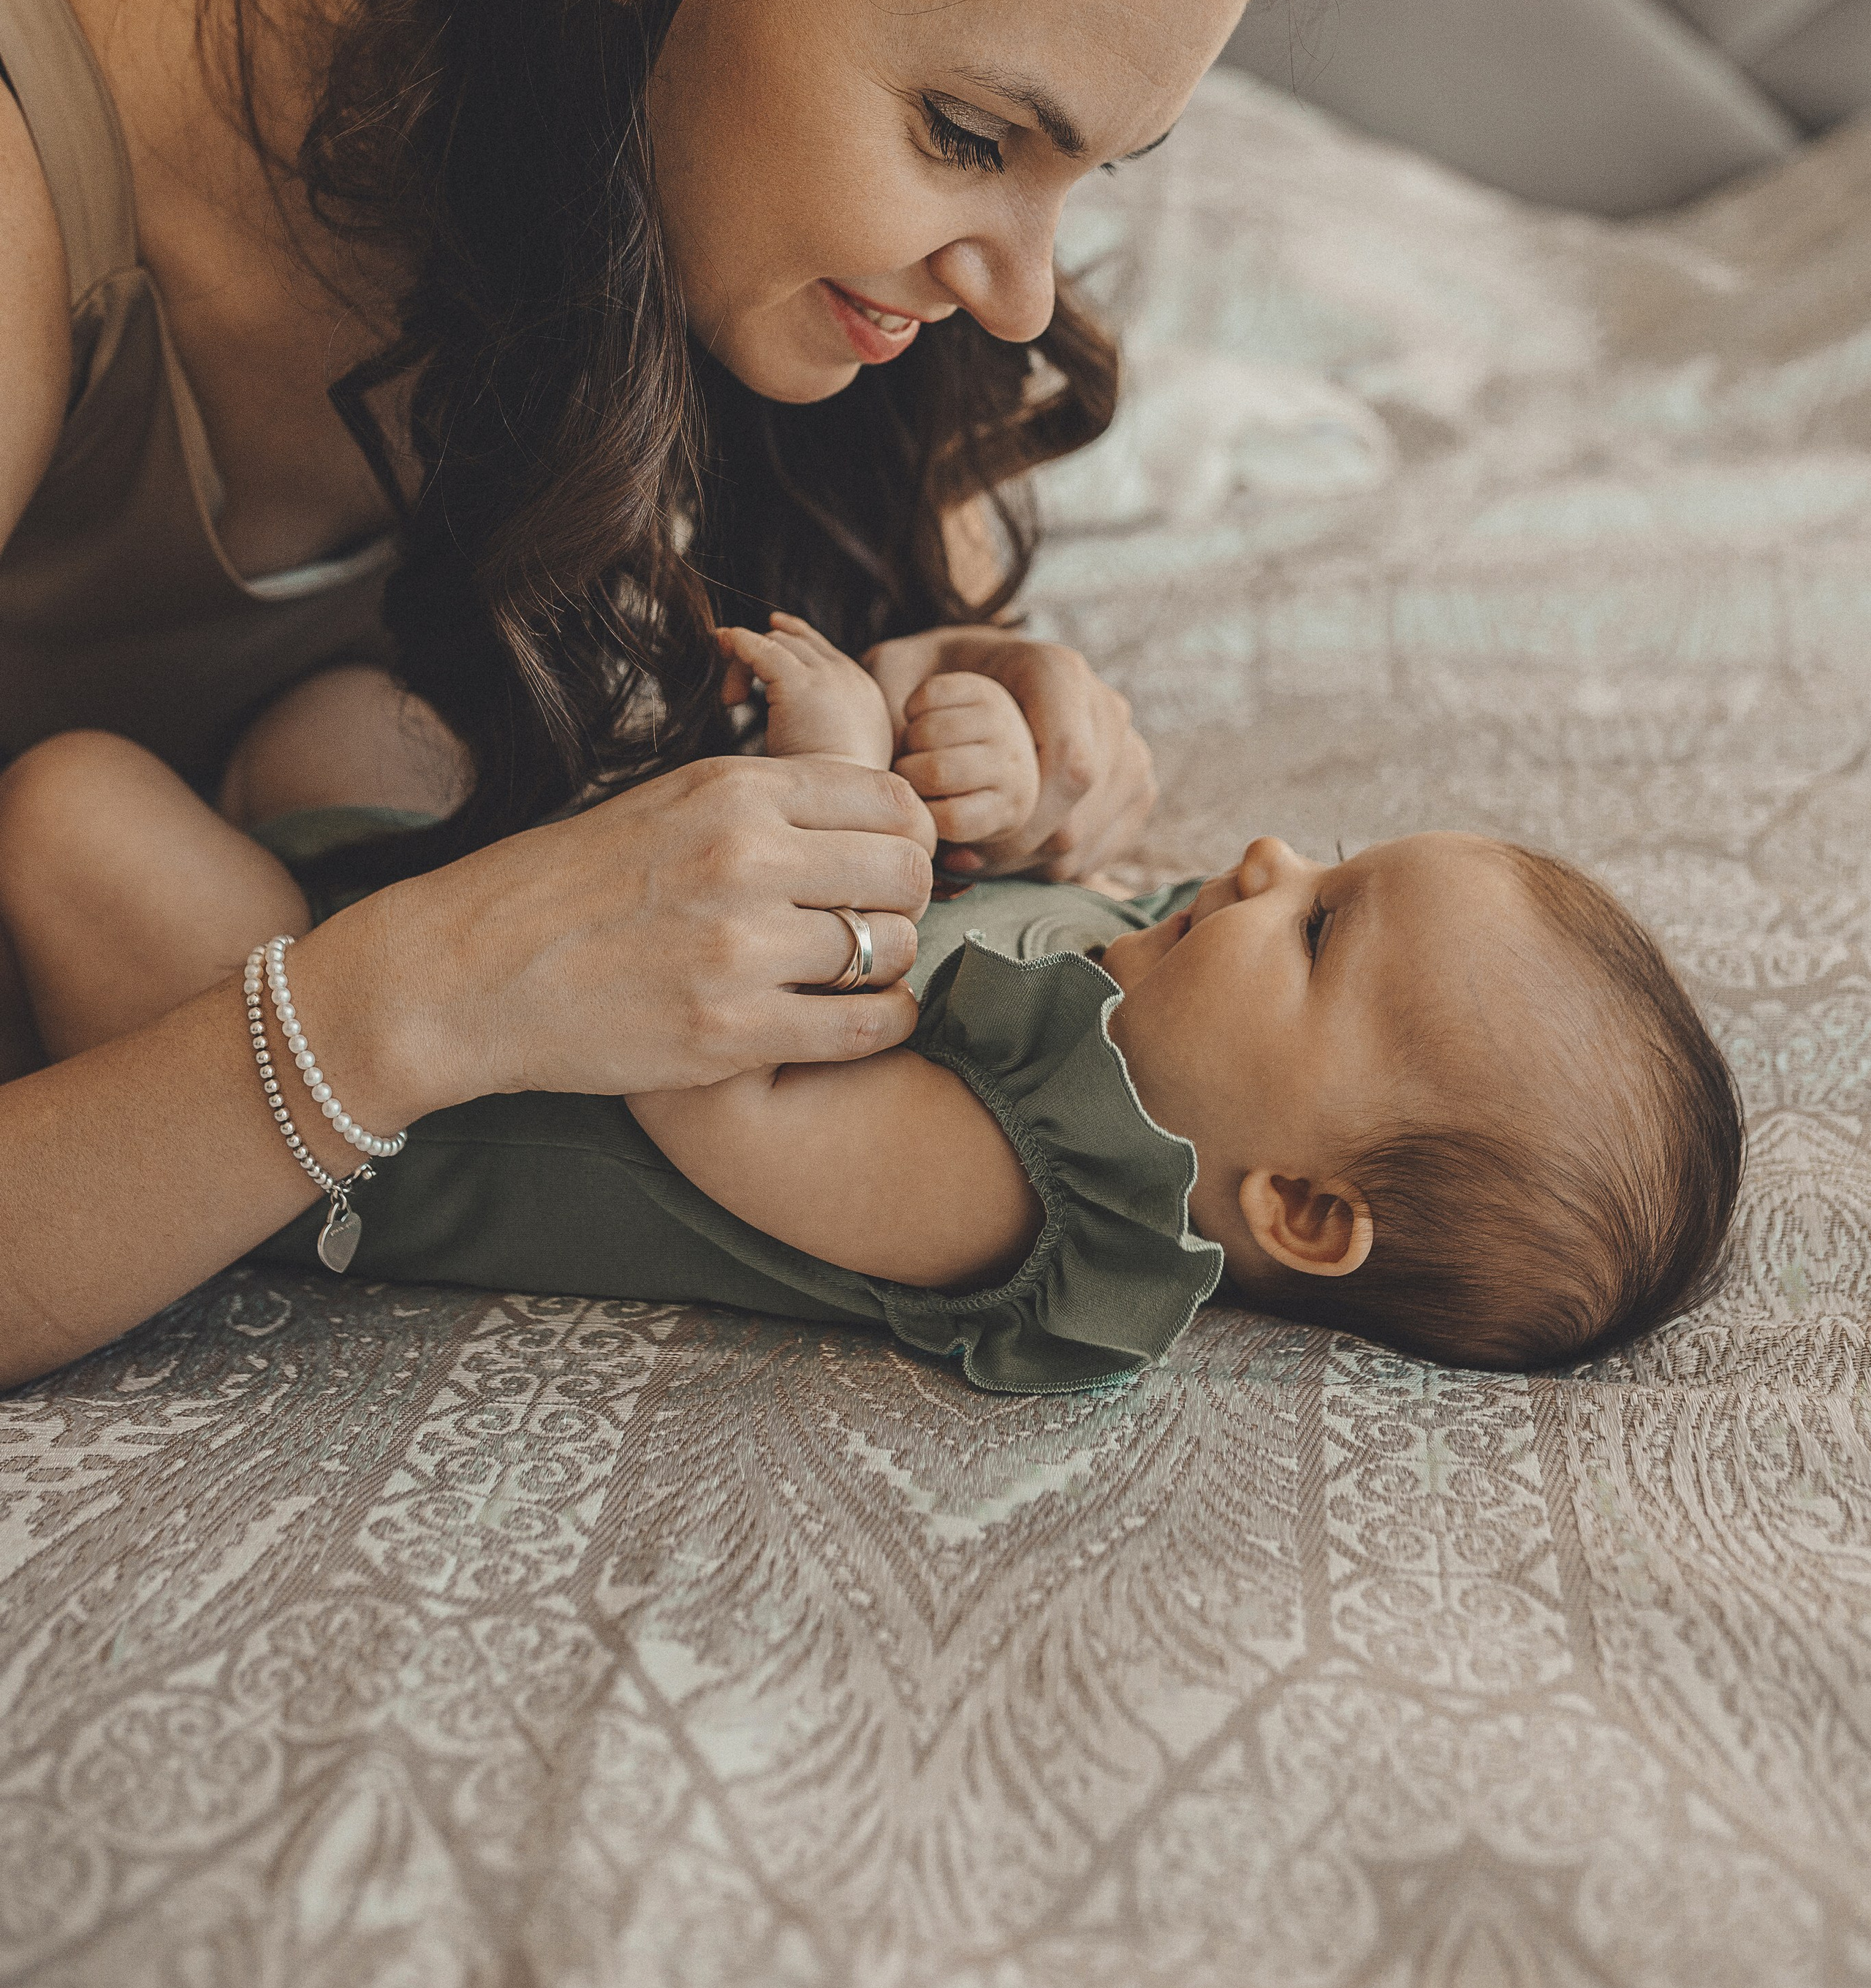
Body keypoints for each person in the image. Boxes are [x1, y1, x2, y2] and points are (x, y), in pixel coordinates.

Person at [0, 0, 1346, 1388]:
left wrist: (974, 734)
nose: (1014, 297)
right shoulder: (43, 192)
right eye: (973, 138)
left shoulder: (743, 263)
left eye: (1091, 171)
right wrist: (417, 1001)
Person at [0, 613, 1745, 1385]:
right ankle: (275, 840)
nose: (1275, 853)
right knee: (341, 718)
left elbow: (720, 1083)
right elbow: (973, 908)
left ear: (1296, 1205)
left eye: (1320, 929)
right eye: (1339, 853)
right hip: (493, 931)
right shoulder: (1151, 995)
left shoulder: (1019, 1197)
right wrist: (964, 767)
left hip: (392, 1127)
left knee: (73, 802)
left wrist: (826, 773)